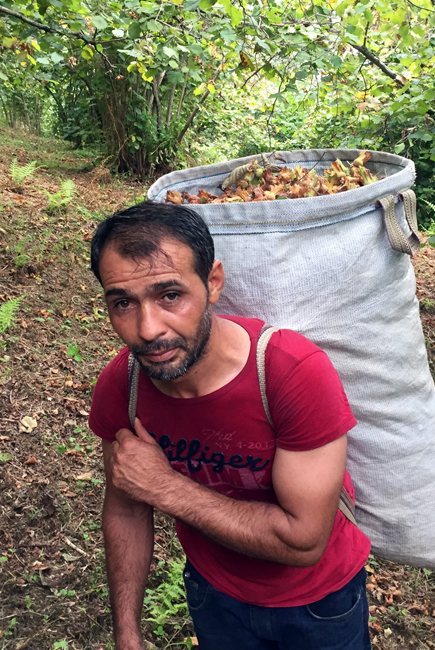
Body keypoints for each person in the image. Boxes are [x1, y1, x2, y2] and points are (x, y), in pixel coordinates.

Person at [87, 201, 372, 650]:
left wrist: (166, 487)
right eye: (123, 302)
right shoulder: (122, 389)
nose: (147, 329)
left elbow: (304, 542)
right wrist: (127, 632)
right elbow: (126, 508)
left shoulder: (291, 373)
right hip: (211, 592)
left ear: (212, 282)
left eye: (170, 296)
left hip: (319, 603)